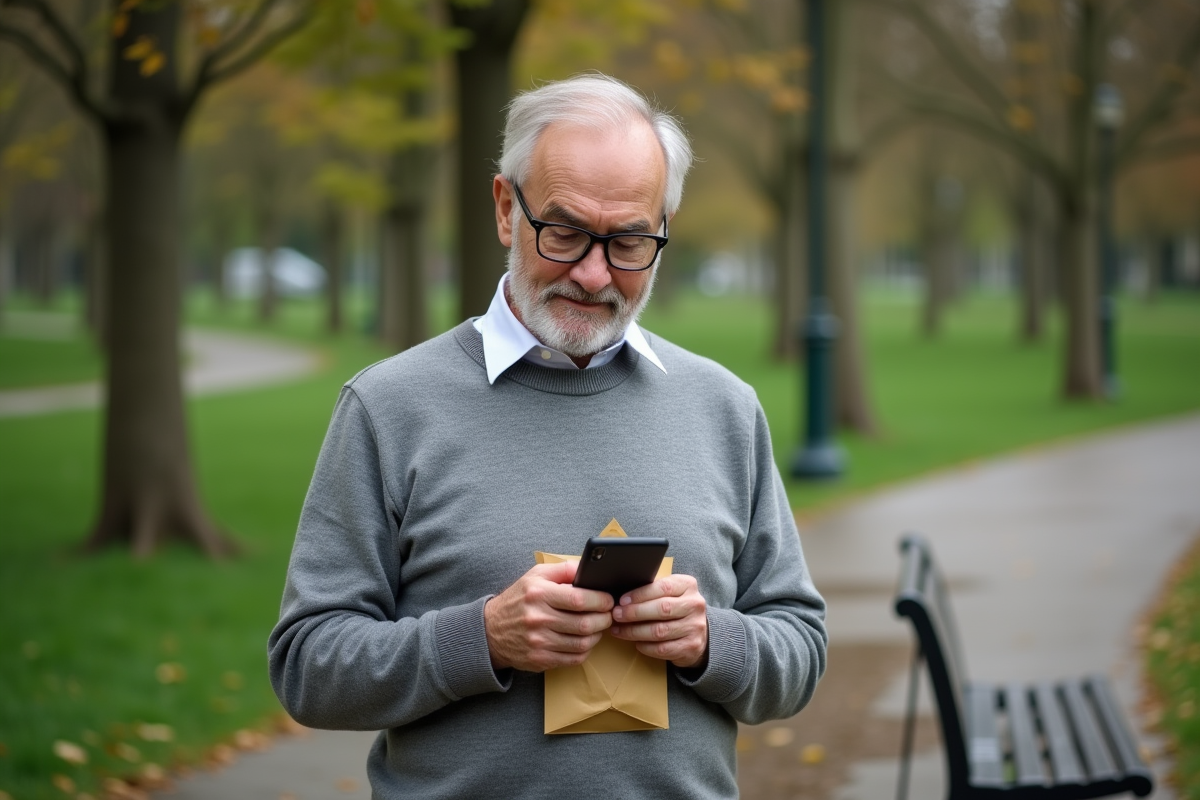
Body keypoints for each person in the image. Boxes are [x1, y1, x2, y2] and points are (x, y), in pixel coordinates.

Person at [268, 73, 827, 800]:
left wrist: (712, 640)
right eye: (563, 232)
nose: (594, 275)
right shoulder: (389, 407)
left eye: (629, 241)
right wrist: (482, 638)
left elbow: (802, 647)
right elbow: (308, 669)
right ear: (506, 209)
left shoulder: (722, 406)